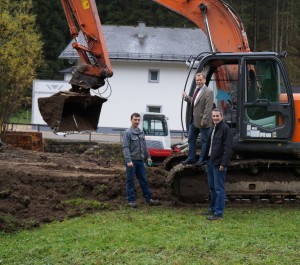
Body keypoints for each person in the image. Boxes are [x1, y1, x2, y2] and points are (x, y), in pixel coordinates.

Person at [122, 112, 160, 208]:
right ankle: (131, 200)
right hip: (132, 161)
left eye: (139, 120)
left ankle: (149, 199)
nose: (137, 121)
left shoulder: (141, 132)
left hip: (140, 161)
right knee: (130, 181)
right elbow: (125, 147)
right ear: (131, 120)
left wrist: (148, 157)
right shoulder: (127, 133)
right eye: (135, 119)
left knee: (144, 180)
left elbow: (144, 146)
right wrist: (128, 160)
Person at [202, 108, 232, 220]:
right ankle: (213, 209)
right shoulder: (212, 128)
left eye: (217, 116)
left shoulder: (225, 129)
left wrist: (223, 163)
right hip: (210, 162)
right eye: (213, 116)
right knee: (212, 188)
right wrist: (204, 159)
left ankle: (219, 213)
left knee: (219, 189)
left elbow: (228, 148)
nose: (215, 118)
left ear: (222, 117)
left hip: (219, 163)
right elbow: (208, 146)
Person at [181, 72, 214, 166]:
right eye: (197, 80)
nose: (198, 82)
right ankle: (191, 158)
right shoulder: (197, 89)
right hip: (194, 120)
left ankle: (202, 160)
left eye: (200, 80)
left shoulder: (209, 91)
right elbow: (194, 101)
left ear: (204, 80)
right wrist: (186, 97)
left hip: (203, 121)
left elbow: (208, 108)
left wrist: (204, 120)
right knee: (191, 139)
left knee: (204, 141)